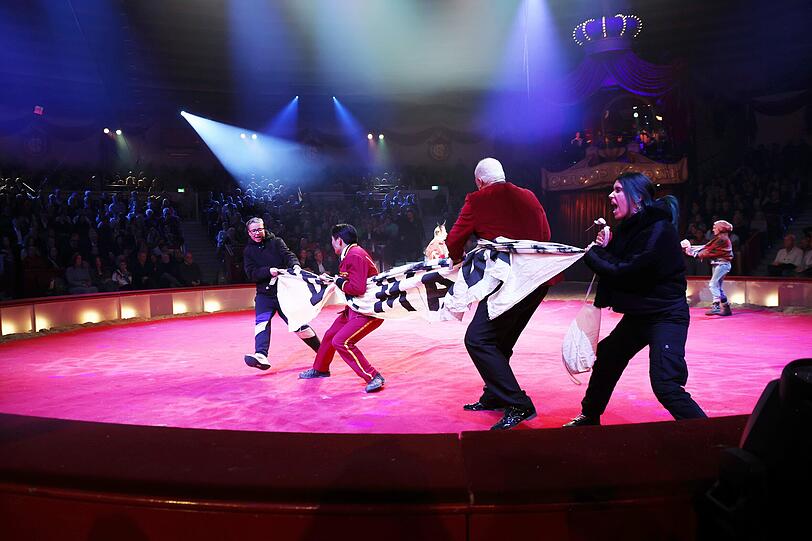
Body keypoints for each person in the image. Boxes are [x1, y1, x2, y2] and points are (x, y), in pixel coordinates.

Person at [564, 172, 707, 427]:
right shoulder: (630, 230)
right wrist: (606, 247)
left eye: (618, 190)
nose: (611, 195)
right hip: (640, 315)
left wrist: (595, 253)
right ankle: (590, 416)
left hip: (665, 315)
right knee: (609, 355)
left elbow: (625, 270)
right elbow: (617, 263)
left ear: (638, 198)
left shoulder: (658, 230)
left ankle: (710, 437)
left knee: (665, 384)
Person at [445, 157, 558, 430]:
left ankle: (518, 403)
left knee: (478, 339)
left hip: (508, 282)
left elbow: (454, 239)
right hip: (538, 281)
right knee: (499, 342)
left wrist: (457, 261)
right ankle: (495, 395)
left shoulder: (477, 200)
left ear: (480, 182)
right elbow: (545, 235)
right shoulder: (529, 196)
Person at [299, 223, 385, 393]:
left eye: (332, 240)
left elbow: (357, 288)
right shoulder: (352, 253)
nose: (331, 244)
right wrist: (334, 279)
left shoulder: (354, 255)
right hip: (355, 307)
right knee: (331, 335)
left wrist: (337, 280)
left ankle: (373, 376)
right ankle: (320, 369)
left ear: (339, 240)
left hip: (366, 311)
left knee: (341, 341)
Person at [242, 217, 321, 370]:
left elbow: (288, 255)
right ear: (249, 233)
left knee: (298, 324)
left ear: (264, 228)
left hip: (283, 292)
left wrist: (296, 266)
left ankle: (322, 350)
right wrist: (267, 271)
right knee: (262, 323)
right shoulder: (248, 251)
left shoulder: (276, 242)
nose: (257, 233)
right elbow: (251, 273)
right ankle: (261, 355)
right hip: (264, 295)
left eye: (260, 229)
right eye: (254, 231)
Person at [686, 220, 734, 316]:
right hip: (719, 264)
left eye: (715, 227)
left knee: (713, 284)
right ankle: (726, 308)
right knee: (718, 287)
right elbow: (707, 247)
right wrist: (691, 248)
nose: (713, 229)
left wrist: (692, 252)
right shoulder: (720, 238)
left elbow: (707, 251)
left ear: (721, 228)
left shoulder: (722, 239)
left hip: (722, 264)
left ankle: (716, 306)